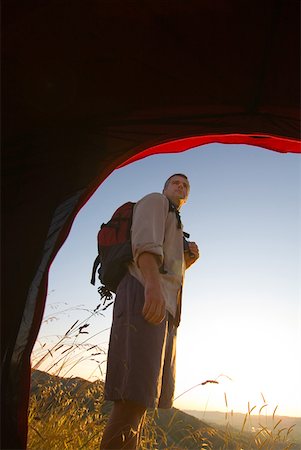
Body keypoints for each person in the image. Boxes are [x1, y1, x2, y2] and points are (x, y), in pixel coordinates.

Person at [100, 174, 199, 449]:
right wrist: (152, 288)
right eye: (176, 182)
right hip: (144, 296)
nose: (181, 186)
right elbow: (143, 242)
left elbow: (168, 274)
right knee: (131, 401)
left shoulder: (174, 222)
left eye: (185, 186)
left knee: (141, 402)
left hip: (159, 304)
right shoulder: (155, 202)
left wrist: (187, 260)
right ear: (164, 188)